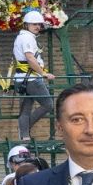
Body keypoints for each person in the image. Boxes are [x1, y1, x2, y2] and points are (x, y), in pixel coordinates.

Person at [12, 10, 57, 143]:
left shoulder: (22, 37)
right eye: (34, 24)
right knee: (48, 104)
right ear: (26, 25)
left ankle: (25, 136)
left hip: (22, 79)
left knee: (26, 108)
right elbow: (30, 59)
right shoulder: (27, 38)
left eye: (39, 24)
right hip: (31, 79)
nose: (37, 27)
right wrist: (43, 73)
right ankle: (24, 128)